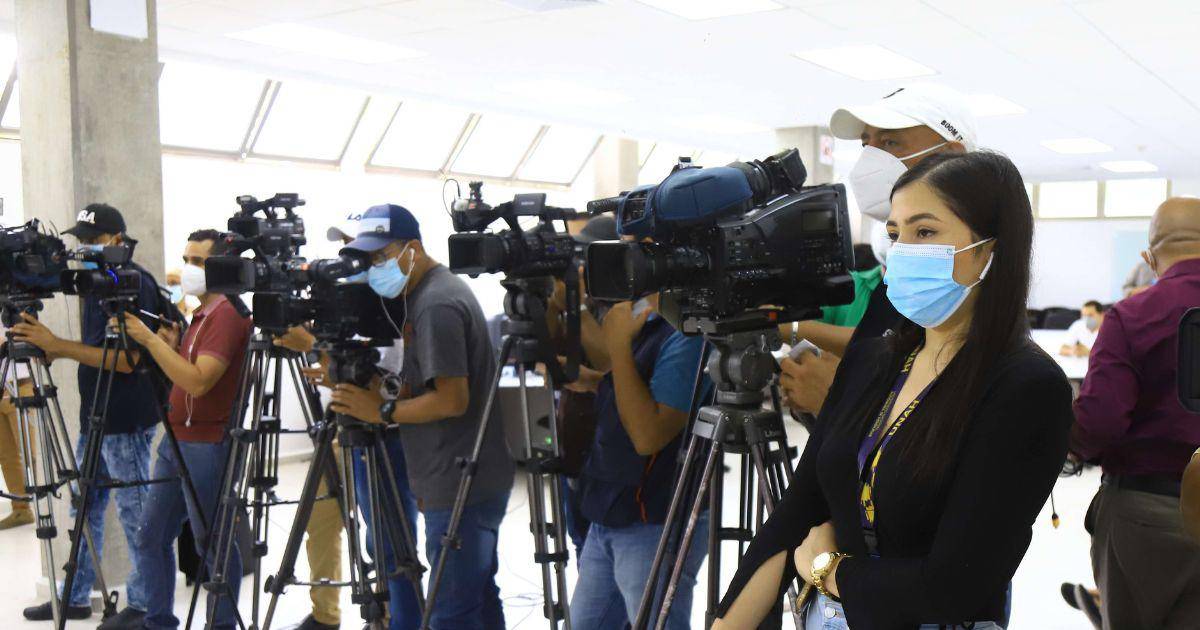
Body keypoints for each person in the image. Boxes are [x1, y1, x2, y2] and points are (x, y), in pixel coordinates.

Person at [712, 151, 1073, 630]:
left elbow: (955, 585)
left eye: (925, 232)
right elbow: (797, 511)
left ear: (990, 250)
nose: (903, 251)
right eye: (895, 234)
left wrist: (828, 570)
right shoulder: (874, 360)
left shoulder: (1027, 387)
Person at [330, 204, 514, 629]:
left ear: (411, 249)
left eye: (381, 256)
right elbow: (432, 386)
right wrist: (381, 388)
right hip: (465, 476)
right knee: (479, 599)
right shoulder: (429, 294)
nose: (375, 268)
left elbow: (452, 400)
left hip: (460, 483)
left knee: (451, 614)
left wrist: (381, 411)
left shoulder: (435, 303)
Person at [779, 82, 977, 417]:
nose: (870, 158)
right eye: (866, 143)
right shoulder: (897, 270)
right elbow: (885, 351)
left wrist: (837, 403)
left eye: (890, 142)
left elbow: (941, 419)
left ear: (951, 157)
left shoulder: (958, 278)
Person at [11, 204, 163, 627]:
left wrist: (58, 346)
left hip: (125, 419)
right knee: (84, 505)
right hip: (95, 413)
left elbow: (129, 360)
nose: (85, 247)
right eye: (81, 239)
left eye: (93, 240)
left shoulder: (133, 284)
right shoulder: (96, 283)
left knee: (134, 512)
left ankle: (144, 605)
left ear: (117, 239)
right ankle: (74, 595)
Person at [1071, 197, 1200, 629]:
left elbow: (1100, 423)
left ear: (1149, 258)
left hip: (1147, 511)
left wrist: (1066, 441)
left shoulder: (1131, 316)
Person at [122, 228, 252, 630]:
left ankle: (221, 623)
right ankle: (158, 621)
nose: (188, 268)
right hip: (177, 439)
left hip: (207, 444)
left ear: (220, 267)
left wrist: (149, 342)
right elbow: (186, 376)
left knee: (211, 542)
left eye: (198, 261)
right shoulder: (201, 314)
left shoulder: (227, 315)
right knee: (150, 536)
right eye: (187, 260)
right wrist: (171, 347)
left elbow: (198, 382)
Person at [565, 286, 711, 630]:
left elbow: (649, 435)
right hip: (608, 509)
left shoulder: (688, 331)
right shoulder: (645, 313)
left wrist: (618, 347)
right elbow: (629, 379)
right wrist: (595, 380)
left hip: (653, 520)